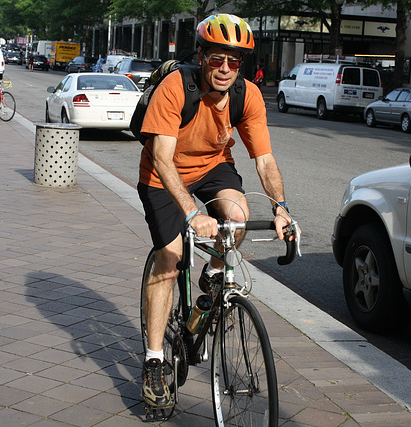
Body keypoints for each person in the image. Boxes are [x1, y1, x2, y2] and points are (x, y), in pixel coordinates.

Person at [137, 13, 299, 410]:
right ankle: (155, 360)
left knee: (238, 216)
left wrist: (281, 208)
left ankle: (212, 279)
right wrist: (192, 214)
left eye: (234, 61)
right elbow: (160, 156)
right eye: (216, 59)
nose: (225, 69)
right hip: (163, 173)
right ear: (202, 55)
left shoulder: (248, 95)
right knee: (170, 260)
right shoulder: (177, 87)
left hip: (212, 166)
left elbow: (263, 159)